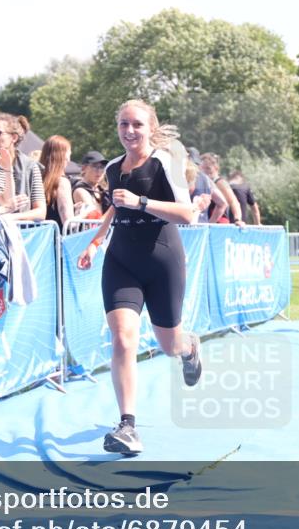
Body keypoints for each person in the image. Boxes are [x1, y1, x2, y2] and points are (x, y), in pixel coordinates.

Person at [77, 99, 202, 455]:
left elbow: (187, 215)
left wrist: (142, 202)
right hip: (122, 261)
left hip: (163, 261)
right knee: (122, 339)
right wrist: (96, 241)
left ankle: (189, 347)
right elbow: (116, 206)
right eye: (123, 125)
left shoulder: (167, 163)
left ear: (150, 128)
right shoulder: (114, 167)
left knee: (168, 345)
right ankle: (127, 426)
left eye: (136, 125)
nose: (129, 131)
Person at [0, 112, 43, 220]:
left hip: (16, 231)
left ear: (14, 137)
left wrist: (9, 218)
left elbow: (40, 212)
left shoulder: (30, 167)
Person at [199, 152, 244, 226]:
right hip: (210, 224)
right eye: (202, 168)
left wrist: (238, 219)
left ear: (216, 168)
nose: (204, 171)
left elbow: (234, 202)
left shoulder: (220, 183)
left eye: (208, 168)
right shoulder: (205, 182)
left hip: (219, 225)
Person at [41, 135, 75, 229]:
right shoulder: (62, 182)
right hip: (57, 239)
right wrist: (83, 214)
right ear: (62, 156)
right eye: (68, 155)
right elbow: (69, 222)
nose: (69, 160)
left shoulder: (37, 179)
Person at [72, 150, 111, 219]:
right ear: (84, 168)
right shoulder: (80, 190)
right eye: (95, 166)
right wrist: (114, 208)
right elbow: (95, 219)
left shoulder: (101, 189)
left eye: (102, 167)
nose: (99, 171)